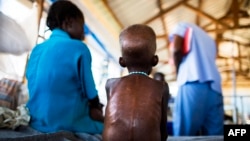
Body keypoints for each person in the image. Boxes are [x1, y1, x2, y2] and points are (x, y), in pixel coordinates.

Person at [25, 0, 104, 137]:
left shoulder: (37, 49)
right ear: (69, 22)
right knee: (109, 127)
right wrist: (96, 107)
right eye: (82, 27)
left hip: (36, 121)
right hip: (66, 122)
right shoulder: (79, 48)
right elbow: (90, 92)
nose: (83, 34)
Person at [102, 24, 169, 141]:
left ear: (122, 61)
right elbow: (163, 131)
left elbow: (109, 121)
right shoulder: (161, 87)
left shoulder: (110, 85)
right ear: (155, 60)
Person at [169, 22, 224, 136]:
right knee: (215, 136)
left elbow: (176, 49)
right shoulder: (210, 39)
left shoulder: (182, 25)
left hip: (192, 81)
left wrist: (178, 71)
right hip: (215, 87)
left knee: (183, 135)